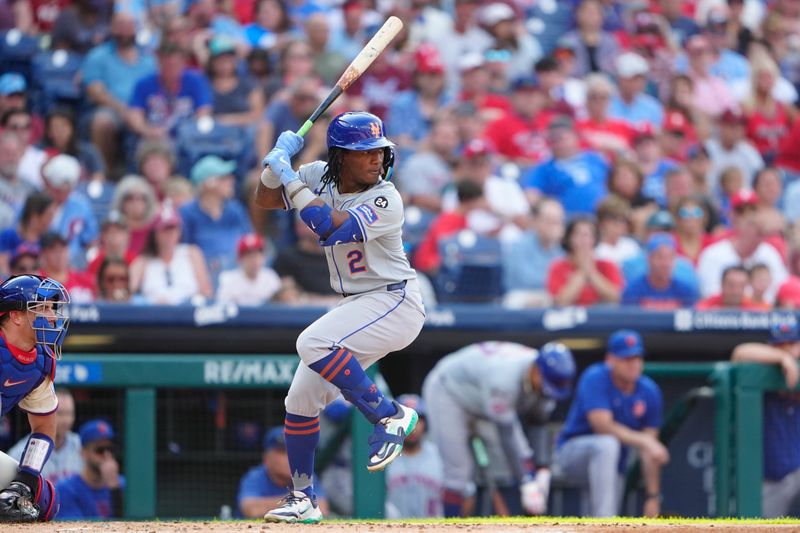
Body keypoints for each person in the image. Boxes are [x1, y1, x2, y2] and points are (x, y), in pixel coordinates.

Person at [253, 111, 426, 523]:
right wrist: (273, 165)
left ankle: (389, 414)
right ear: (340, 157)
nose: (376, 160)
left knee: (312, 342)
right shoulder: (319, 175)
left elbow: (330, 228)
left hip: (394, 300)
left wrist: (289, 177)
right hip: (356, 304)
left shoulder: (387, 198)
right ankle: (302, 498)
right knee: (301, 399)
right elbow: (264, 201)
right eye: (364, 153)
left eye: (380, 152)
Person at [422, 341, 575, 517]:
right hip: (448, 390)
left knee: (505, 467)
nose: (547, 390)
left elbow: (538, 422)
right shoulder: (504, 380)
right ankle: (449, 526)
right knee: (458, 474)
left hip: (481, 396)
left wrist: (542, 469)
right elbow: (508, 435)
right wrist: (528, 481)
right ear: (536, 369)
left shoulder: (544, 381)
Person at [553, 329, 669, 518]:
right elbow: (602, 426)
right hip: (572, 455)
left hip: (613, 466)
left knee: (601, 506)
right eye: (626, 359)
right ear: (610, 360)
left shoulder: (649, 391)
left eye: (637, 358)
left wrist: (653, 496)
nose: (633, 365)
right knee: (607, 444)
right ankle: (605, 525)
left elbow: (651, 452)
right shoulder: (596, 377)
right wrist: (646, 441)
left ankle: (602, 524)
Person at [0, 275, 70, 522]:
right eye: (42, 308)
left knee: (45, 500)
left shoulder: (41, 362)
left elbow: (43, 429)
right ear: (16, 316)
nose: (52, 317)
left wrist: (25, 480)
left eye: (52, 308)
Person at [731, 321, 800, 518]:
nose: (786, 349)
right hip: (769, 479)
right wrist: (783, 359)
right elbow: (740, 352)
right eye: (780, 345)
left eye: (791, 344)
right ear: (771, 347)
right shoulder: (761, 369)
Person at [238, 426, 329, 519]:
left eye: (295, 451)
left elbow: (322, 509)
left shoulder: (305, 475)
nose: (291, 458)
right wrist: (297, 500)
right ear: (266, 458)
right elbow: (252, 510)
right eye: (282, 452)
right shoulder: (256, 476)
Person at [384, 394, 444, 519]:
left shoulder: (439, 455)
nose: (412, 427)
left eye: (416, 420)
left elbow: (465, 494)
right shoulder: (382, 457)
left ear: (425, 424)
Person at [8, 388, 83, 487]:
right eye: (60, 413)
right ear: (49, 413)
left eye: (69, 414)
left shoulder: (81, 446)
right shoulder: (23, 451)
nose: (66, 420)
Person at [547, 217, 623, 307]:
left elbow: (616, 298)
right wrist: (582, 273)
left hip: (601, 317)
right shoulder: (558, 267)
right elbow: (561, 302)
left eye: (589, 235)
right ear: (568, 239)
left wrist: (592, 273)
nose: (585, 241)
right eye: (579, 235)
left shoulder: (607, 265)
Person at [56, 420, 123, 520]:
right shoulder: (66, 489)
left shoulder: (122, 485)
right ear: (84, 453)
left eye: (110, 449)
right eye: (100, 450)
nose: (107, 455)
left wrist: (115, 490)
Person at [621, 233, 699, 309]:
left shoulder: (686, 290)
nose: (665, 264)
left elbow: (690, 318)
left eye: (670, 257)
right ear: (649, 259)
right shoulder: (633, 290)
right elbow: (628, 319)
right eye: (660, 257)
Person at [216, 234, 282, 306]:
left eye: (257, 255)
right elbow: (222, 308)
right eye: (249, 256)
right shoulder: (228, 279)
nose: (254, 260)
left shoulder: (271, 277)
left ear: (264, 257)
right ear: (240, 259)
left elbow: (280, 305)